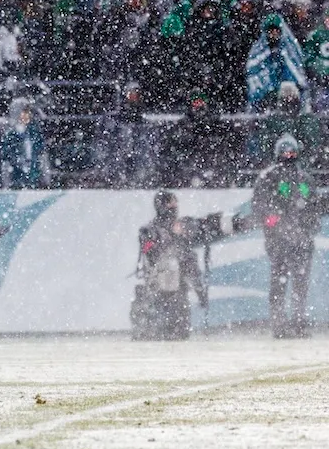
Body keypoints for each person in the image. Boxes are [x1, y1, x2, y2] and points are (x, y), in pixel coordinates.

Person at [131, 191, 241, 341]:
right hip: (159, 285)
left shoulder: (182, 226)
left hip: (179, 289)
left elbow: (202, 226)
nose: (174, 207)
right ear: (161, 206)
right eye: (170, 203)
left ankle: (173, 332)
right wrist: (165, 238)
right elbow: (148, 247)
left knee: (179, 330)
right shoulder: (150, 229)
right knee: (161, 327)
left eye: (175, 203)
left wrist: (224, 222)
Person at [252, 134, 322, 338]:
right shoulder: (269, 177)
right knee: (279, 282)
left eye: (292, 152)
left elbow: (314, 207)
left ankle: (299, 321)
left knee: (300, 283)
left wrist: (308, 226)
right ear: (277, 153)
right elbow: (261, 207)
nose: (288, 155)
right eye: (285, 152)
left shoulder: (304, 178)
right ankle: (279, 324)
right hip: (279, 241)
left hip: (302, 240)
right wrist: (275, 223)